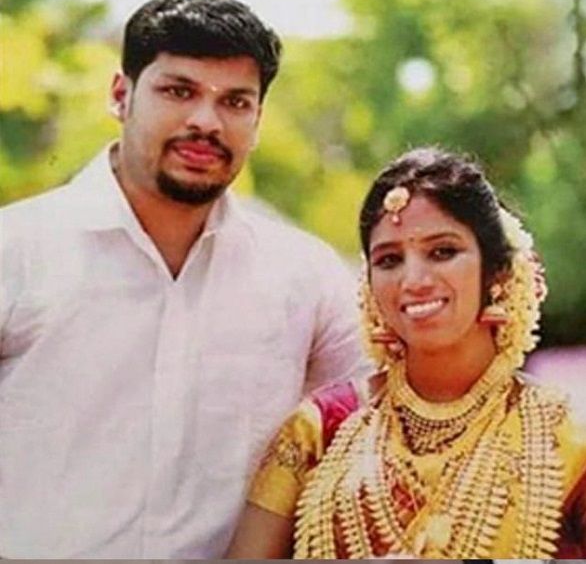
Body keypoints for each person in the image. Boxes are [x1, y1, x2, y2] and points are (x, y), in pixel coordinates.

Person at [0, 0, 369, 559]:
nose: (206, 122)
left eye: (235, 101)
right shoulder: (16, 252)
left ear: (257, 121)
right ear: (121, 95)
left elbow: (392, 415)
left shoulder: (306, 277)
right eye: (179, 91)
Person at [227, 147, 586, 559]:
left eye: (442, 252)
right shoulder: (322, 429)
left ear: (498, 270)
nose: (413, 280)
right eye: (389, 260)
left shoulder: (567, 441)